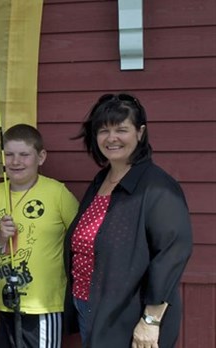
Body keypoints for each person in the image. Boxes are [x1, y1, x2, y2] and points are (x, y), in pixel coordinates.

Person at [64, 93, 193, 348]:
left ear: (140, 132)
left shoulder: (157, 187)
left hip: (132, 317)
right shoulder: (101, 181)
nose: (111, 138)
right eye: (103, 130)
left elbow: (171, 254)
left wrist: (150, 320)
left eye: (121, 129)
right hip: (90, 308)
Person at [0, 124, 79, 348]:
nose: (16, 162)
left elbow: (82, 238)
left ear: (40, 157)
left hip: (42, 305)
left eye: (24, 155)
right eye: (10, 155)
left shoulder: (57, 193)